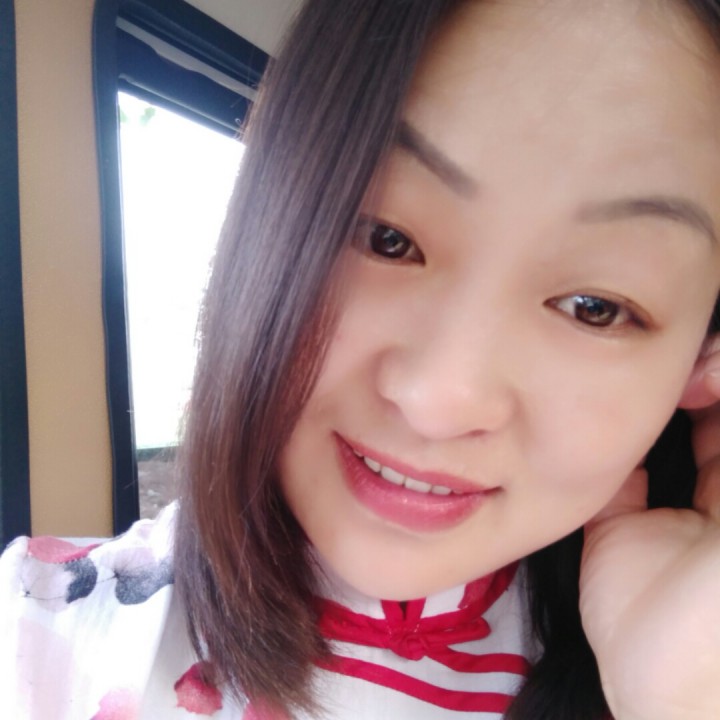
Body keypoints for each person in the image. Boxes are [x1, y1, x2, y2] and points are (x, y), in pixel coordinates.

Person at [2, 0, 720, 718]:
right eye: (385, 237)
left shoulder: (678, 655)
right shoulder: (31, 643)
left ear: (701, 364)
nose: (439, 400)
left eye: (594, 307)